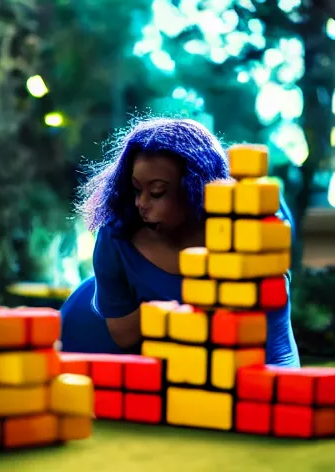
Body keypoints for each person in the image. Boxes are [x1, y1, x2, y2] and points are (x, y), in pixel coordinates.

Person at [60, 117, 300, 367]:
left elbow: (277, 348)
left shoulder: (248, 220)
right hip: (94, 344)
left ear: (196, 187)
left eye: (157, 192)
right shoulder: (116, 235)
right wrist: (184, 309)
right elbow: (122, 334)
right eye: (136, 189)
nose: (141, 203)